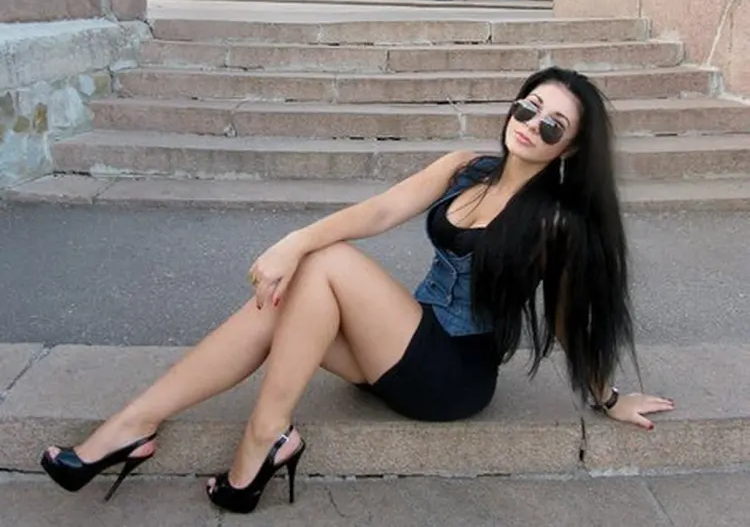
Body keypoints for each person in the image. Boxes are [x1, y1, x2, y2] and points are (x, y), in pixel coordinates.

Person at [40, 66, 675, 513]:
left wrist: (607, 395)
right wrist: (294, 243)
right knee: (287, 296)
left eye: (554, 125)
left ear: (573, 148)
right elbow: (380, 211)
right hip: (403, 347)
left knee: (326, 262)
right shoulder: (466, 168)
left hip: (451, 375)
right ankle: (135, 423)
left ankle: (264, 435)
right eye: (527, 108)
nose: (532, 126)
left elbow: (567, 319)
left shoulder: (557, 222)